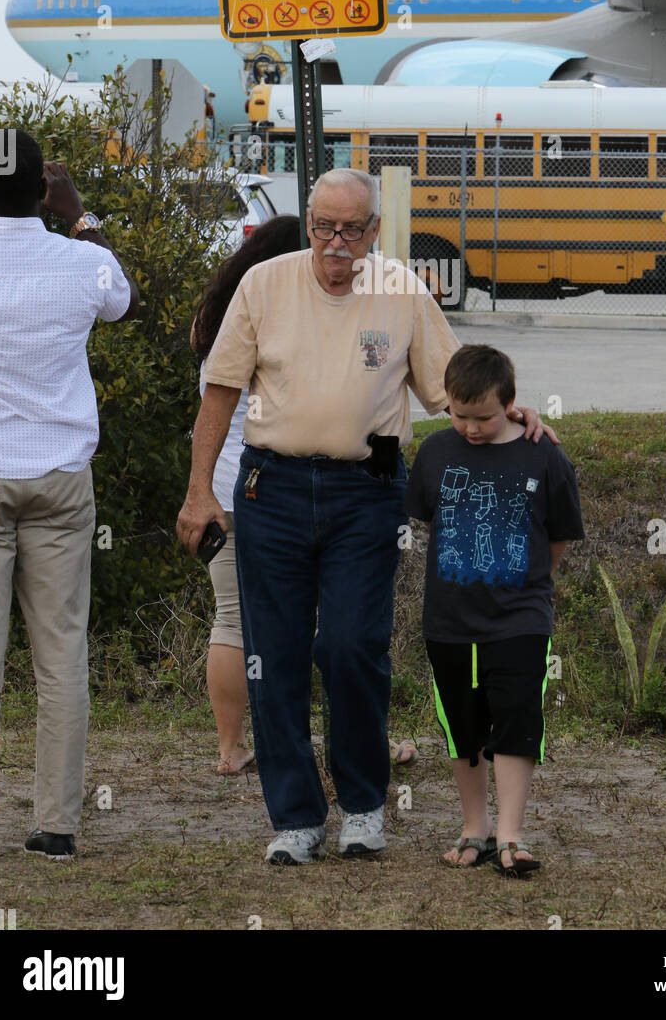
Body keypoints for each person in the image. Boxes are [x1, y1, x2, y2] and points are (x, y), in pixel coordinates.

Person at [175, 167, 551, 864]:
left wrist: (508, 409)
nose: (336, 244)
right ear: (308, 222)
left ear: (375, 231)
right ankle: (294, 818)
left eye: (352, 229)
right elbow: (220, 393)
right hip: (271, 487)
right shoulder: (266, 285)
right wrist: (201, 491)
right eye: (323, 227)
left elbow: (451, 385)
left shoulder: (402, 291)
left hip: (366, 489)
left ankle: (363, 806)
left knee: (351, 645)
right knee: (274, 655)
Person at [0, 132, 138, 864]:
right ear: (46, 187)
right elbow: (122, 302)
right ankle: (56, 826)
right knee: (61, 652)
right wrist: (81, 215)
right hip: (62, 477)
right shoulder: (84, 261)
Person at [404, 344, 583, 876]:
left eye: (482, 417)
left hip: (521, 619)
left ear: (510, 403)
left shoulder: (543, 454)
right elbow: (426, 522)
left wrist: (525, 583)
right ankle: (473, 828)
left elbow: (558, 537)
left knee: (516, 719)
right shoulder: (435, 453)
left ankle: (510, 835)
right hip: (449, 621)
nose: (471, 428)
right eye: (459, 416)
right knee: (463, 726)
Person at [191, 214, 302, 775]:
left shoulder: (216, 315)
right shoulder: (276, 318)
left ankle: (230, 747)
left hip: (221, 487)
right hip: (264, 489)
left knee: (230, 619)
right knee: (312, 620)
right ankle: (345, 741)